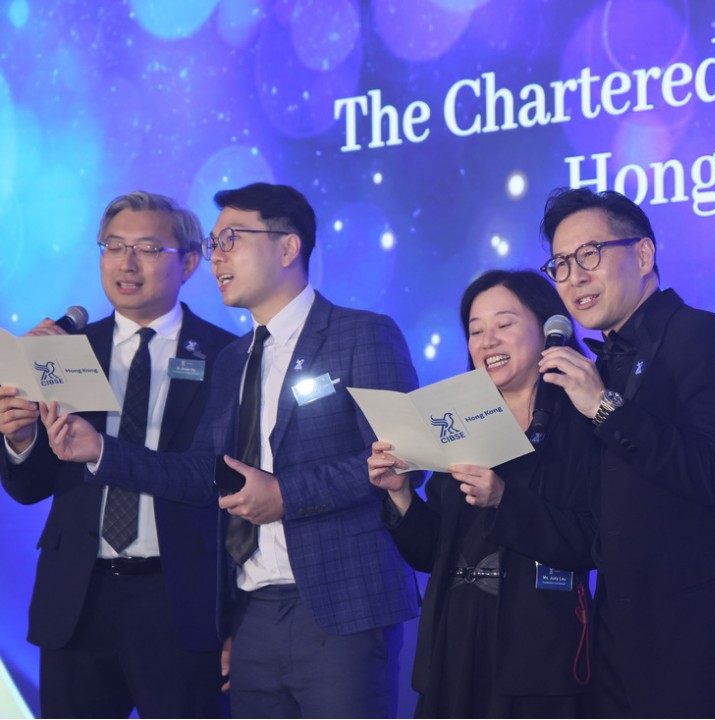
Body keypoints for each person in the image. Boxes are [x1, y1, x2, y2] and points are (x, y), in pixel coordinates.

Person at [38, 182, 420, 718]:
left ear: (288, 248)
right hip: (253, 609)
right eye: (214, 243)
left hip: (342, 604)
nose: (216, 256)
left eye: (231, 240)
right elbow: (202, 473)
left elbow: (403, 458)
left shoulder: (363, 334)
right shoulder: (232, 358)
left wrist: (285, 495)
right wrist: (101, 449)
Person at [534, 188, 715, 717]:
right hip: (618, 643)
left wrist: (604, 408)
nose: (574, 277)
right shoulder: (599, 368)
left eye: (589, 255)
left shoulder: (704, 336)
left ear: (644, 254)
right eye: (560, 264)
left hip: (700, 644)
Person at [0, 191, 234, 718]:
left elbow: (228, 485)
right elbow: (30, 487)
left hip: (181, 601)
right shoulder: (65, 350)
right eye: (114, 246)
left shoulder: (227, 355)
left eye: (148, 249)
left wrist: (238, 619)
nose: (127, 263)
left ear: (189, 263)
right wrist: (19, 440)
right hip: (77, 599)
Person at [367, 269, 597, 718]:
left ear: (547, 331)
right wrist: (401, 495)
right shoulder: (458, 422)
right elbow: (432, 552)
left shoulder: (580, 420)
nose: (487, 341)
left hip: (538, 649)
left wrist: (504, 499)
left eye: (504, 324)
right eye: (475, 331)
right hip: (455, 643)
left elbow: (592, 541)